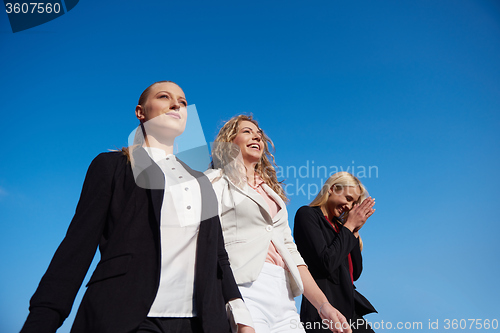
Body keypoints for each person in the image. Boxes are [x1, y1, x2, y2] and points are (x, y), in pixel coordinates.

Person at [21, 81, 254, 333]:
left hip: (200, 323)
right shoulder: (112, 167)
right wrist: (42, 321)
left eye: (183, 102)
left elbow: (219, 256)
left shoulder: (202, 183)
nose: (177, 104)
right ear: (140, 112)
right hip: (125, 316)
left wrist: (240, 315)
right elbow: (76, 249)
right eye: (165, 97)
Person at [206, 115, 351, 333]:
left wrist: (323, 305)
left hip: (283, 293)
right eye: (247, 131)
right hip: (243, 287)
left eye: (259, 134)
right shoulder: (214, 181)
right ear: (228, 142)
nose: (256, 136)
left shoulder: (272, 194)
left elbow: (291, 252)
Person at [293, 172, 377, 333]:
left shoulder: (341, 228)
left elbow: (355, 273)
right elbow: (326, 263)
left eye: (353, 204)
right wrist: (349, 227)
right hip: (323, 311)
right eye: (348, 199)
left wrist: (354, 231)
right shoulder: (307, 215)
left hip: (350, 309)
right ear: (332, 189)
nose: (349, 206)